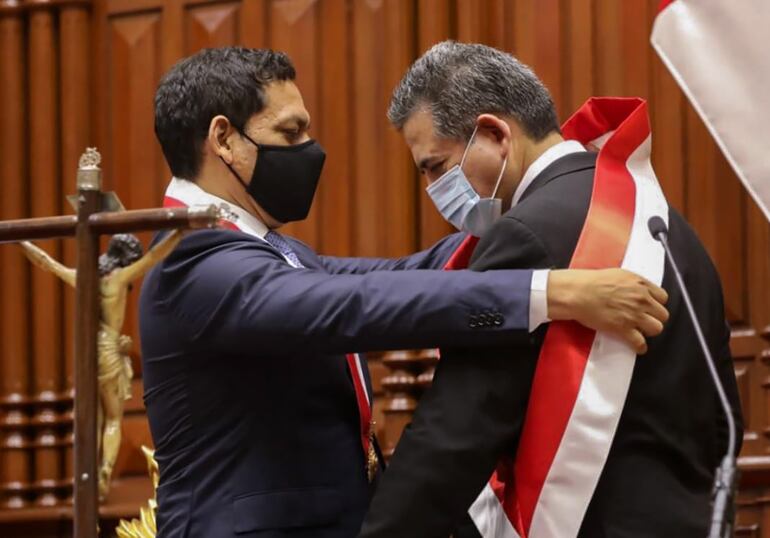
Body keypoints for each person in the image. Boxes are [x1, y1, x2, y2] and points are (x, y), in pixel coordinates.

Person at [140, 47, 668, 538]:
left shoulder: (270, 249)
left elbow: (400, 275)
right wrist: (549, 292)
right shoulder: (192, 259)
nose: (309, 149)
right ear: (224, 138)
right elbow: (354, 305)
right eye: (291, 131)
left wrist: (534, 215)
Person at [358, 41, 743, 538]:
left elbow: (456, 432)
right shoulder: (665, 221)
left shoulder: (524, 235)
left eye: (435, 166)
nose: (434, 190)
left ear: (495, 133)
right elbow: (720, 412)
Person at [20, 231, 182, 499]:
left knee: (91, 417)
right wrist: (180, 232)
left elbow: (45, 261)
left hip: (86, 351)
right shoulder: (118, 279)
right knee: (112, 419)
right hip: (109, 349)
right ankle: (105, 467)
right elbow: (155, 256)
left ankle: (89, 471)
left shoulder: (84, 278)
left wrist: (20, 240)